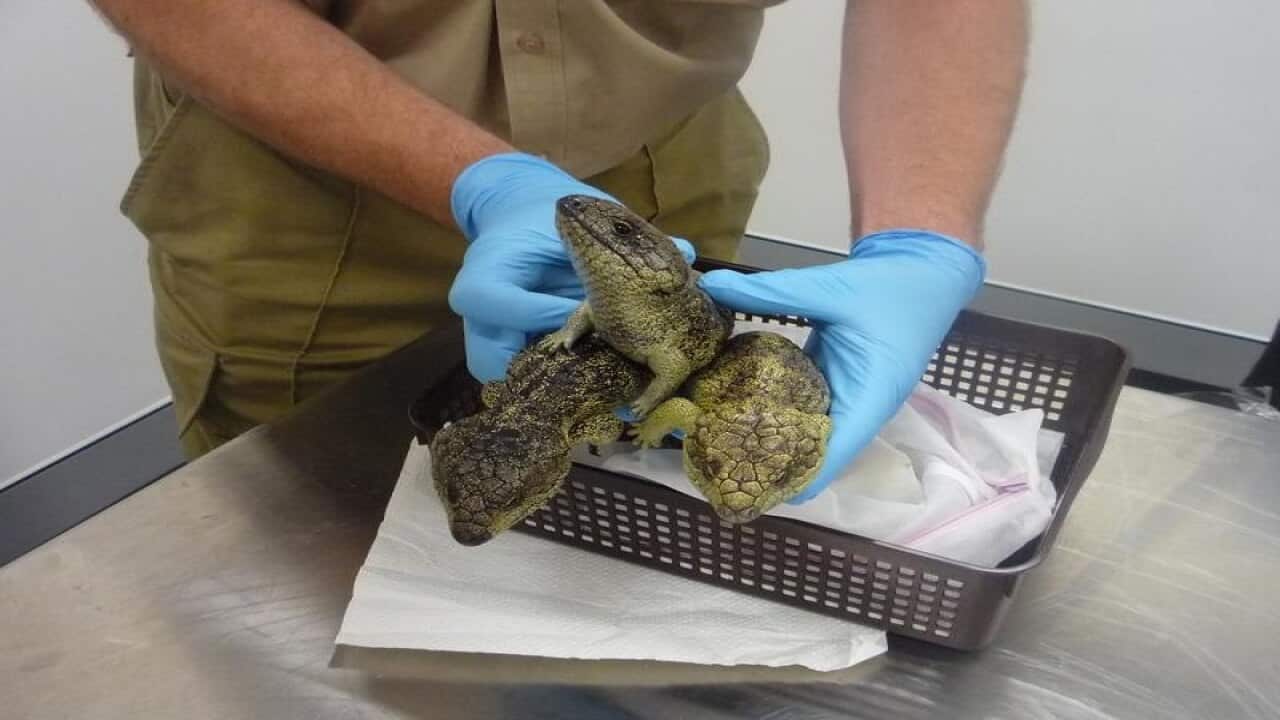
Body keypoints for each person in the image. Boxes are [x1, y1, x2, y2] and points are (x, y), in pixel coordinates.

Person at [91, 0, 1028, 501]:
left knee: (654, 536)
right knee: (321, 553)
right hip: (308, 177)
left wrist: (921, 237)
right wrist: (483, 181)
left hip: (660, 161)